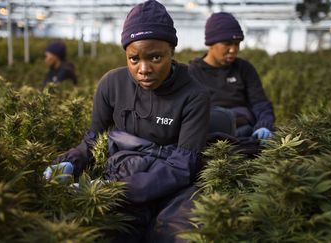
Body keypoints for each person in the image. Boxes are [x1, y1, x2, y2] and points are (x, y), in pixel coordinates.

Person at [43, 0, 210, 242]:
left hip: (171, 185)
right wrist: (71, 161)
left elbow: (183, 167)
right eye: (134, 59)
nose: (144, 69)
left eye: (155, 57)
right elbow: (94, 139)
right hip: (123, 171)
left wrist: (117, 191)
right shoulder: (112, 84)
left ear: (172, 52)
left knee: (170, 233)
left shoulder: (194, 95)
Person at [188, 12, 275, 140]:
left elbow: (260, 103)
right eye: (227, 43)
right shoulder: (192, 73)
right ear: (211, 43)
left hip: (246, 132)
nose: (233, 49)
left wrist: (264, 125)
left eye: (237, 43)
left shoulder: (244, 68)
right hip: (210, 136)